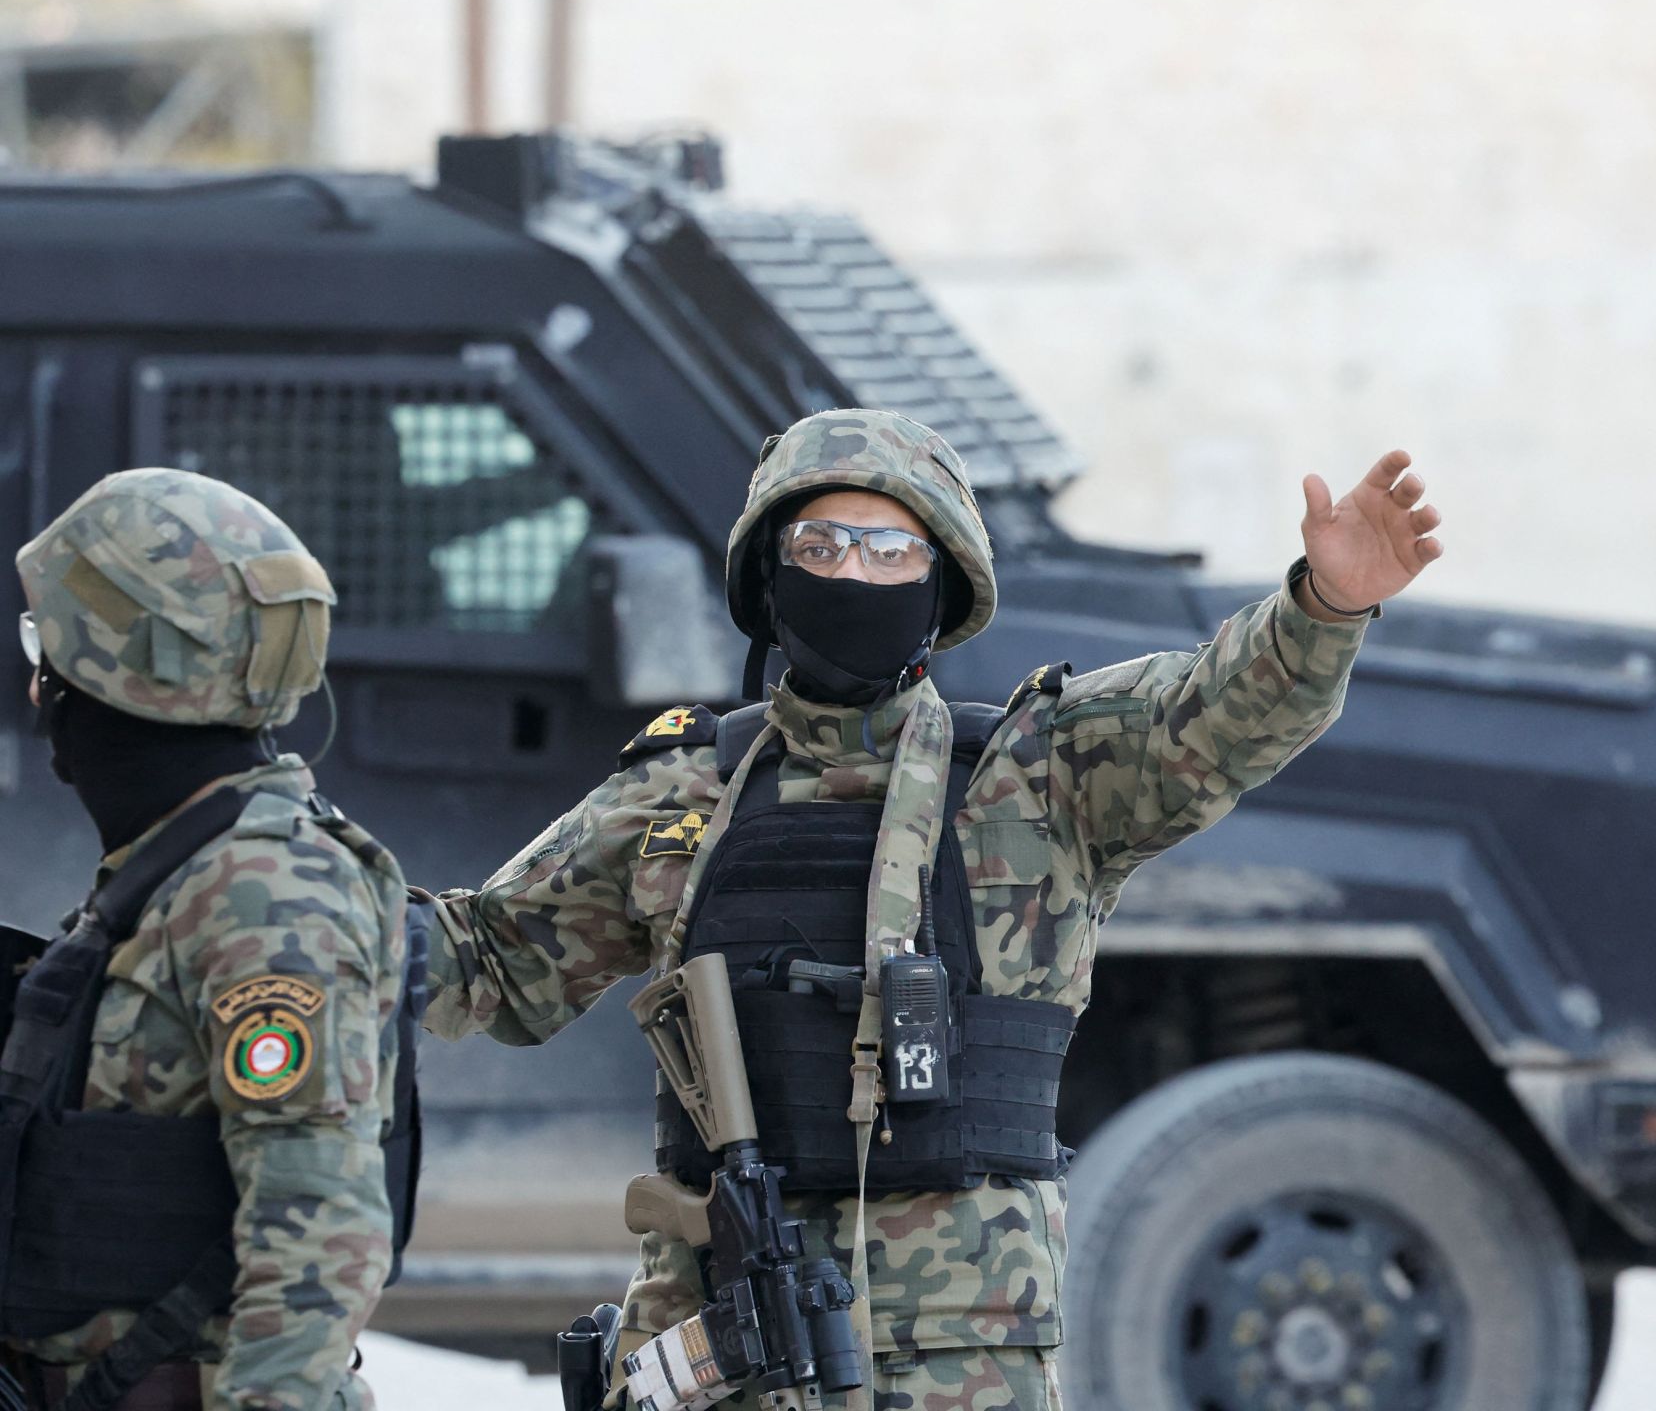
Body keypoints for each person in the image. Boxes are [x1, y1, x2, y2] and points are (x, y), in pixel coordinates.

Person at [417, 408, 1443, 1410]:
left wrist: (1323, 609)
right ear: (769, 575)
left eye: (889, 551)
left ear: (940, 582)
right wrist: (334, 898)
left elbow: (1210, 715)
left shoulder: (1039, 776)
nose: (851, 574)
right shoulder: (677, 794)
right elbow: (488, 963)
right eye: (819, 546)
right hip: (716, 1337)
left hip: (961, 1355)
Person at [1, 469, 414, 1411]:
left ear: (107, 678)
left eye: (48, 650)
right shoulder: (174, 870)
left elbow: (316, 1239)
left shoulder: (265, 889)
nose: (35, 685)